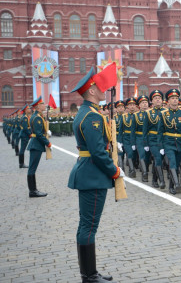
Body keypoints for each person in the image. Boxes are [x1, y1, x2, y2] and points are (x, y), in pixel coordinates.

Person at [67, 64, 122, 283]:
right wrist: (115, 171)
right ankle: (89, 275)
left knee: (86, 225)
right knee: (89, 226)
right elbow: (99, 153)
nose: (103, 88)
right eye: (99, 86)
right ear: (91, 90)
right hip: (93, 175)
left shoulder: (88, 113)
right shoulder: (92, 117)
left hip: (89, 172)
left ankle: (90, 273)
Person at [159, 89, 181, 194]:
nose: (175, 100)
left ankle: (171, 186)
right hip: (168, 142)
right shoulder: (163, 114)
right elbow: (160, 131)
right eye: (172, 98)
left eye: (176, 98)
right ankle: (177, 184)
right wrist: (161, 146)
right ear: (168, 101)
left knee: (176, 164)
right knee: (172, 162)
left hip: (180, 142)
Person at [26, 96, 51, 197]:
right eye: (42, 104)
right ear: (37, 107)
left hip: (36, 144)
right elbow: (39, 134)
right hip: (36, 145)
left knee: (32, 168)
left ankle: (33, 190)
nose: (44, 105)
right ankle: (33, 191)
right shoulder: (37, 118)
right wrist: (48, 143)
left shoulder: (37, 116)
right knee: (32, 168)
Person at [18, 104, 32, 168]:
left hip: (24, 135)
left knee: (22, 149)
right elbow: (25, 128)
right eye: (28, 109)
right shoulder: (25, 118)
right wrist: (30, 134)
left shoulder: (24, 116)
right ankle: (21, 164)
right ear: (26, 110)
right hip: (24, 135)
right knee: (22, 149)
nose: (30, 109)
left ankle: (21, 163)